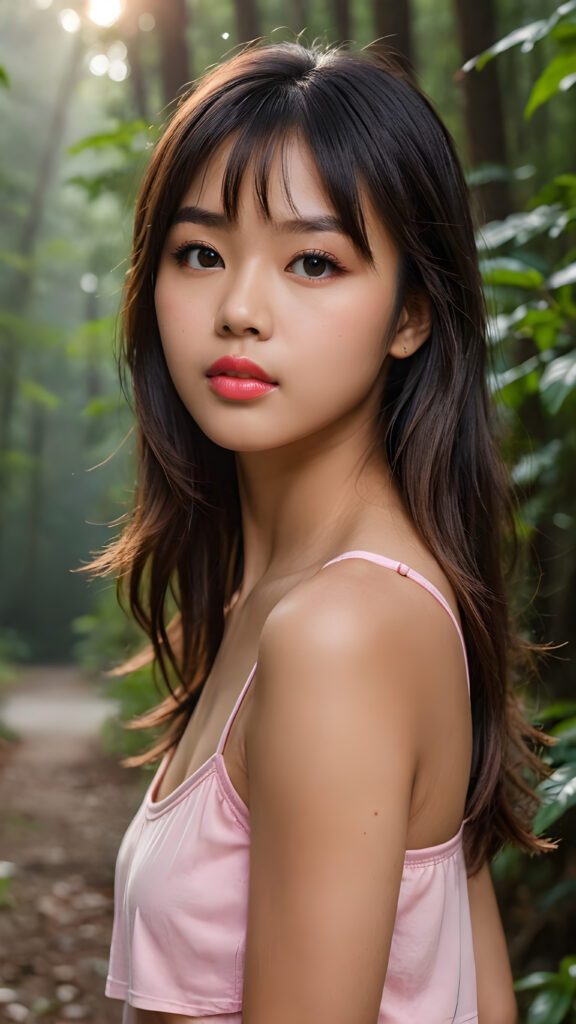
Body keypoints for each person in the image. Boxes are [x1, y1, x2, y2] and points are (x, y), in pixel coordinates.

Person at [94, 41, 554, 1024]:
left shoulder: (341, 631)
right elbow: (488, 1000)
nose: (239, 310)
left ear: (411, 315)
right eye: (200, 253)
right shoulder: (301, 600)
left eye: (313, 261)